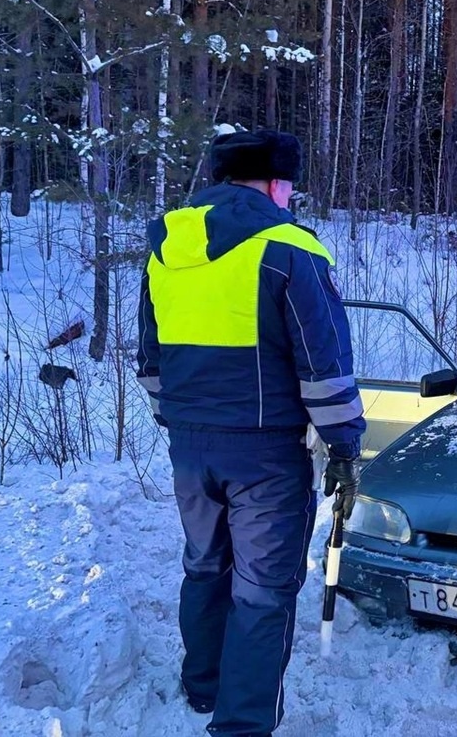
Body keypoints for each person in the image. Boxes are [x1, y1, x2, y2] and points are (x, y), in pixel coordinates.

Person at [136, 129, 365, 737]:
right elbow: (323, 364)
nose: (290, 196)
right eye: (288, 185)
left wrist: (183, 422)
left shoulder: (167, 248)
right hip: (266, 452)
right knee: (264, 589)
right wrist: (344, 445)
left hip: (189, 446)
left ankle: (203, 686)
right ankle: (242, 725)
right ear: (272, 182)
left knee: (205, 566)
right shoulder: (288, 248)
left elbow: (151, 360)